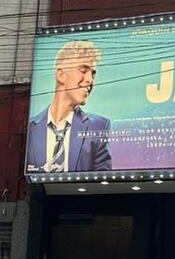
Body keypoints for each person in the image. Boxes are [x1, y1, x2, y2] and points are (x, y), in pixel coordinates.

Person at [25, 40, 112, 173]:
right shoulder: (30, 128)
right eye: (83, 70)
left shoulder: (99, 127)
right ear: (61, 75)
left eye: (93, 74)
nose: (90, 80)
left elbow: (102, 181)